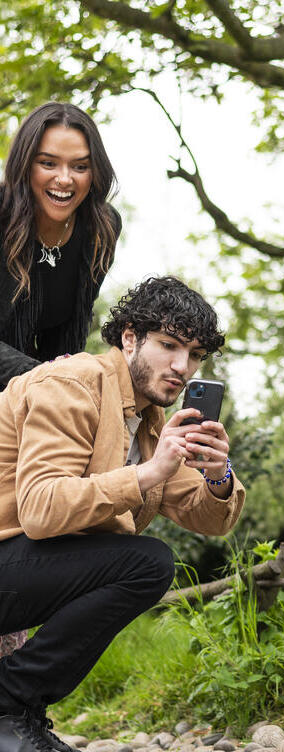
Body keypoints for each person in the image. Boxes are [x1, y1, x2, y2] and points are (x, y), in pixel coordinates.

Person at [0, 275, 245, 752]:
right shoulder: (70, 384)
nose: (182, 367)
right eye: (168, 345)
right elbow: (42, 509)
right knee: (145, 561)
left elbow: (206, 517)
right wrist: (147, 473)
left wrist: (218, 474)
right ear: (129, 338)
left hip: (18, 569)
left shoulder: (151, 421)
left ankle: (19, 709)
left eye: (195, 354)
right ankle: (7, 705)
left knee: (147, 561)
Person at [0, 101, 121, 657]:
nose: (64, 179)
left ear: (95, 170)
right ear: (26, 165)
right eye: (49, 163)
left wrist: (72, 395)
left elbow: (71, 331)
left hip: (27, 387)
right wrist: (52, 381)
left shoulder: (100, 229)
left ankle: (13, 690)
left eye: (79, 165)